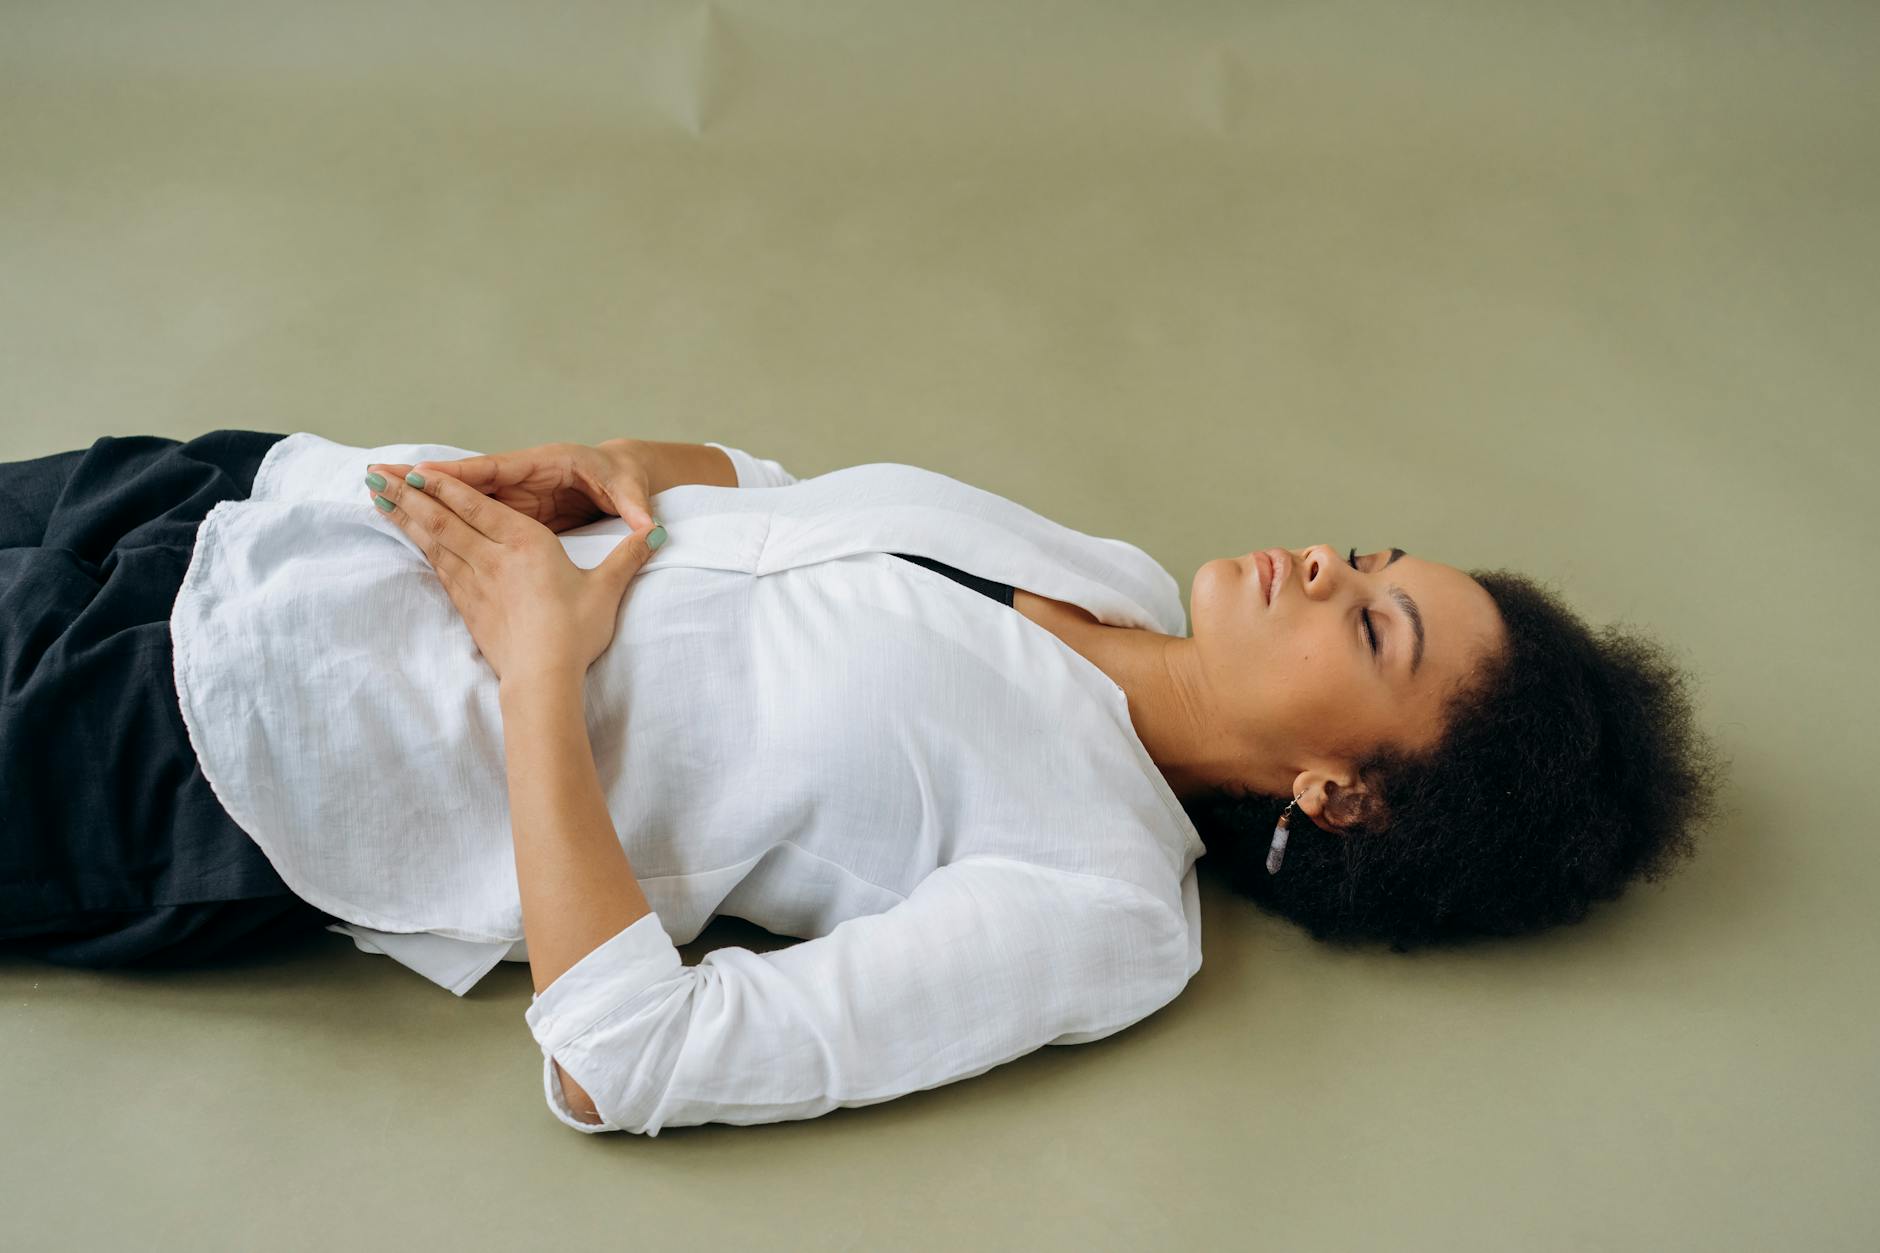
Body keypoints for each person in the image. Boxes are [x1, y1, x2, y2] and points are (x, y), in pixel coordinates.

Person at [0, 428, 1726, 1134]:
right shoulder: (1107, 569)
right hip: (263, 501)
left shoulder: (1105, 909)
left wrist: (541, 663)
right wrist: (601, 463)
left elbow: (630, 1058)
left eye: (1374, 627)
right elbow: (772, 493)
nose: (1324, 565)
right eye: (1372, 555)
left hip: (213, 757)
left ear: (1348, 795)